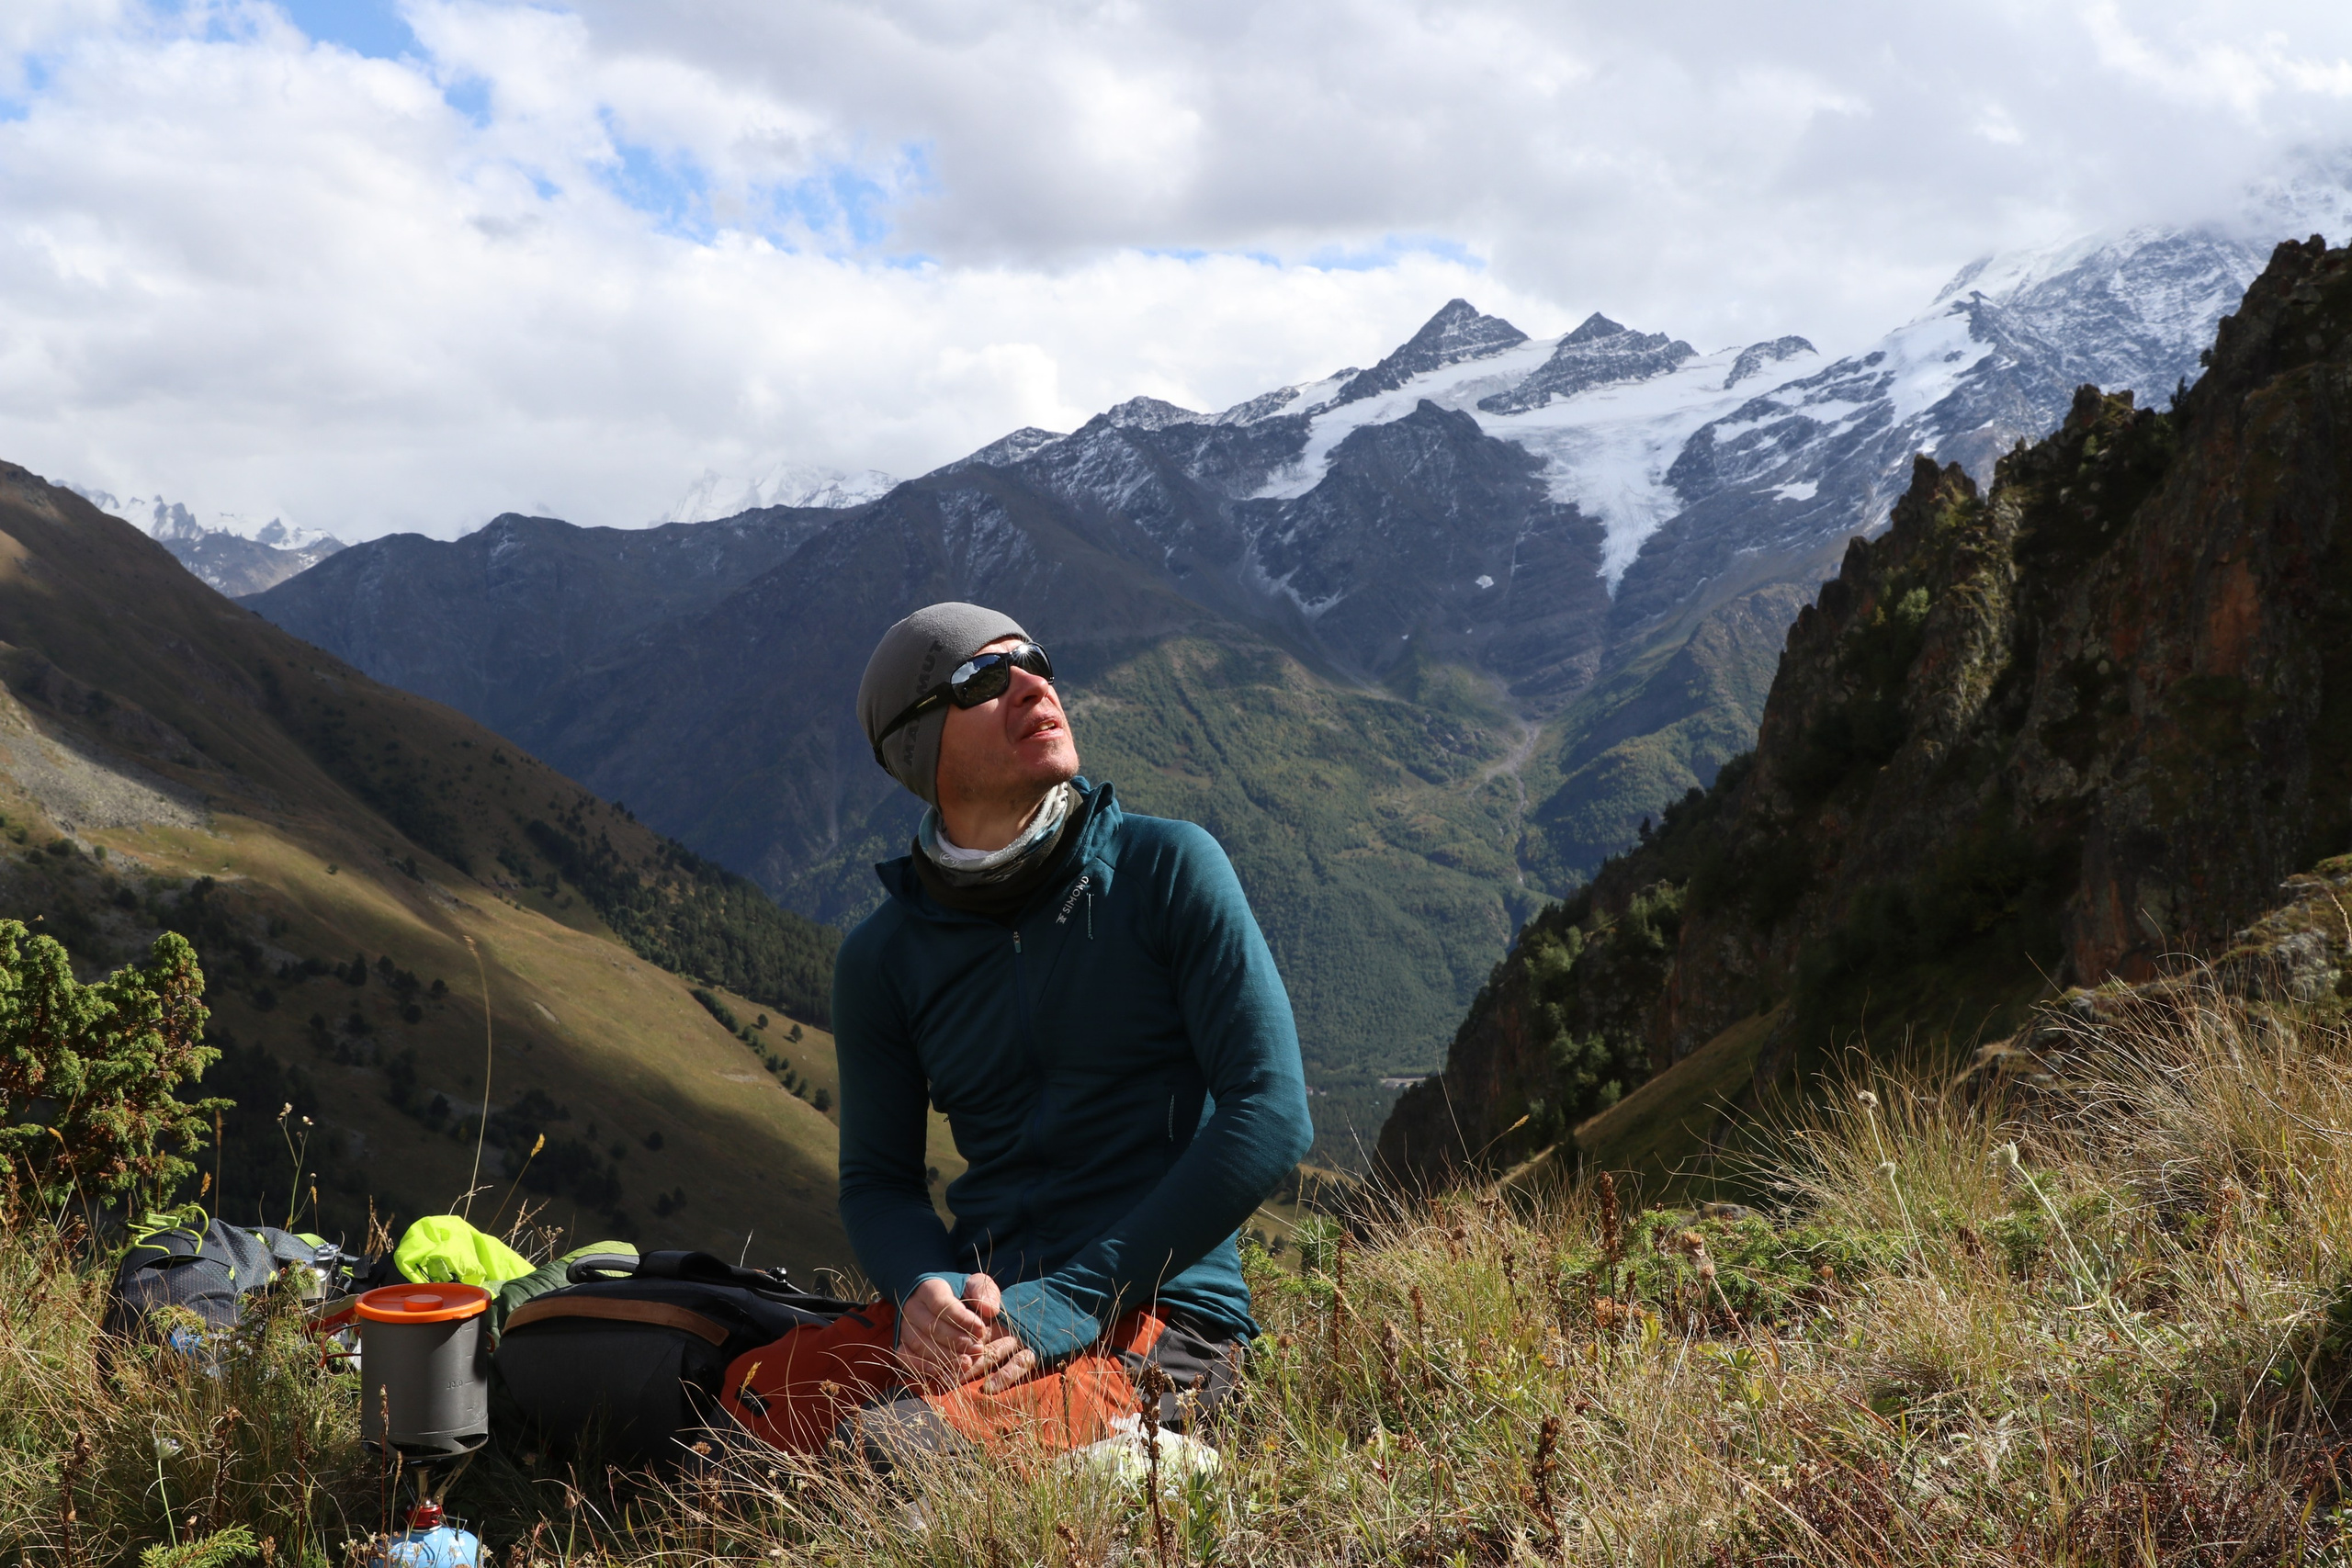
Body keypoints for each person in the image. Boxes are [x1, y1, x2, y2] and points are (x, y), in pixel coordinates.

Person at [720, 602, 1313, 1461]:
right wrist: (926, 1284)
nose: (1037, 683)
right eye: (986, 678)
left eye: (1035, 658)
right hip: (986, 1314)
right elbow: (879, 1182)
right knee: (736, 1421)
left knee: (892, 1459)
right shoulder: (884, 959)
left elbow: (1271, 1110)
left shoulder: (1167, 868)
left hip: (1164, 1314)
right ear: (920, 746)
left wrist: (1070, 1300)